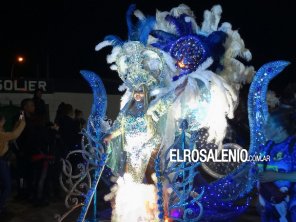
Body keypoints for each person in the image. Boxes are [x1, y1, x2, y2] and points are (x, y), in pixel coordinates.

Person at [258, 136, 296, 222]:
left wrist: (277, 176)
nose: (264, 127)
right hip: (269, 206)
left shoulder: (293, 145)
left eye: (269, 123)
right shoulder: (266, 145)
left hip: (291, 206)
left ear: (280, 127)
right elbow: (256, 168)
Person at [0, 113, 26, 215]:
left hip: (3, 161)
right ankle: (1, 207)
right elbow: (14, 135)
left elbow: (11, 133)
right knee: (7, 186)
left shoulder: (2, 131)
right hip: (1, 161)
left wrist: (19, 119)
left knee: (4, 185)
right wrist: (23, 121)